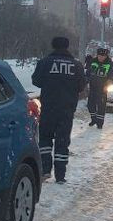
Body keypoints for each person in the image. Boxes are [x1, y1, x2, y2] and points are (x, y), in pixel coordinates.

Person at [31, 36, 86, 183]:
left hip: (49, 108)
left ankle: (45, 170)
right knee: (62, 141)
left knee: (45, 139)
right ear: (67, 46)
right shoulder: (76, 65)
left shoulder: (45, 63)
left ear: (53, 45)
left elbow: (35, 81)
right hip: (67, 109)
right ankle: (60, 176)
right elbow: (82, 86)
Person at [86, 47, 113, 128]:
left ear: (106, 56)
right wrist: (86, 80)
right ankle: (94, 119)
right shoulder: (93, 62)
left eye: (103, 56)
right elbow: (88, 73)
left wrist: (108, 84)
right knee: (90, 105)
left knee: (101, 107)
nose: (101, 57)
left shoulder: (109, 64)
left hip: (102, 89)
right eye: (99, 55)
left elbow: (112, 76)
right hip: (92, 88)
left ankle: (100, 123)